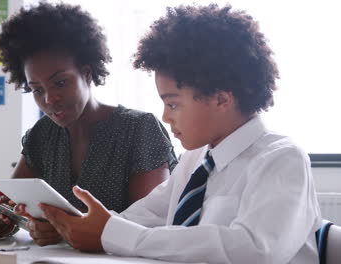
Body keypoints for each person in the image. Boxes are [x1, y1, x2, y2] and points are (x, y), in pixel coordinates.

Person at [37, 4, 322, 263]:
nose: (165, 116)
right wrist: (76, 226)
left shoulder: (281, 159)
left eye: (173, 103)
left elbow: (254, 250)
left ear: (222, 100)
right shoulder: (194, 160)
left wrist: (116, 234)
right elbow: (144, 217)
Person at [0, 2, 177, 245]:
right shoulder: (42, 135)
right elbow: (12, 206)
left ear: (87, 73)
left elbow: (148, 223)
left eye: (60, 83)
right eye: (37, 89)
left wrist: (63, 231)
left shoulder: (139, 128)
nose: (49, 99)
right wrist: (1, 221)